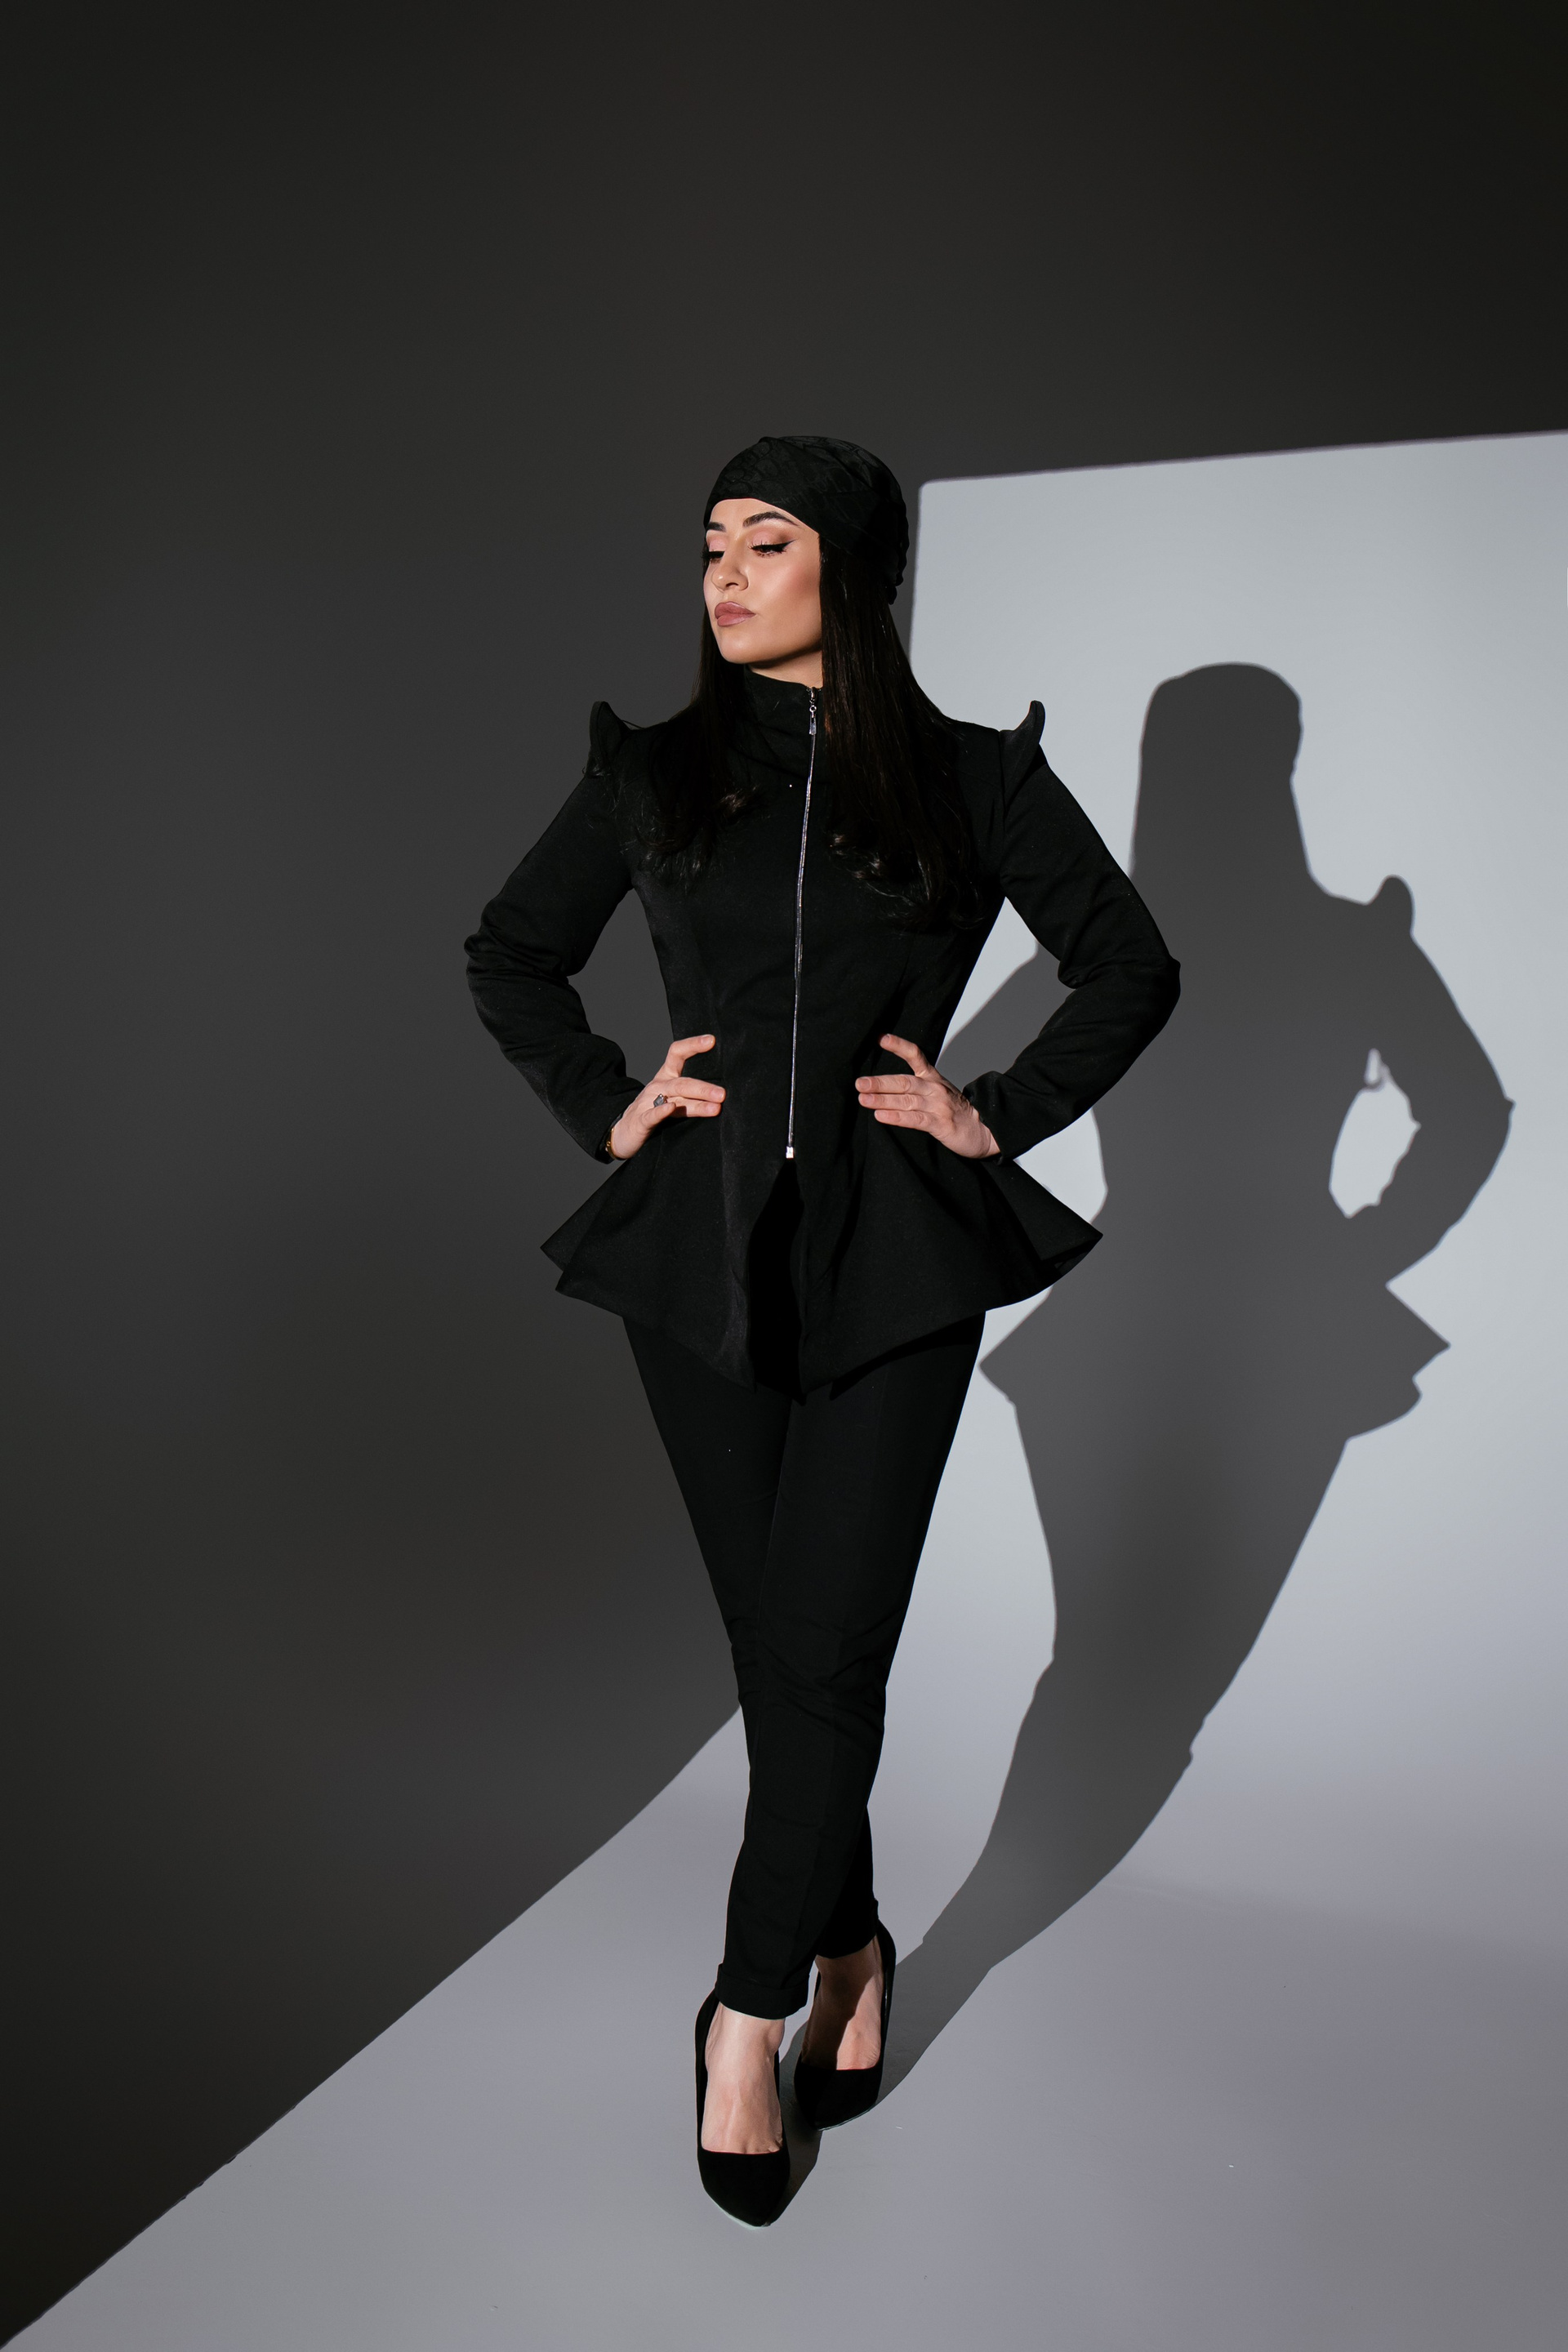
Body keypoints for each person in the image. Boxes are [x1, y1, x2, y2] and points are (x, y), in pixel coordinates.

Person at [465, 434, 1180, 2225]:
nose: (723, 572)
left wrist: (996, 1112)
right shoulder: (655, 774)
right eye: (711, 541)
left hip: (896, 1259)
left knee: (824, 1648)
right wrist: (607, 1102)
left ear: (852, 575)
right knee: (781, 1652)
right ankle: (854, 1943)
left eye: (766, 543)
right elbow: (512, 952)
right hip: (696, 1259)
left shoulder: (974, 779)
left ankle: (745, 2012)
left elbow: (1130, 961)